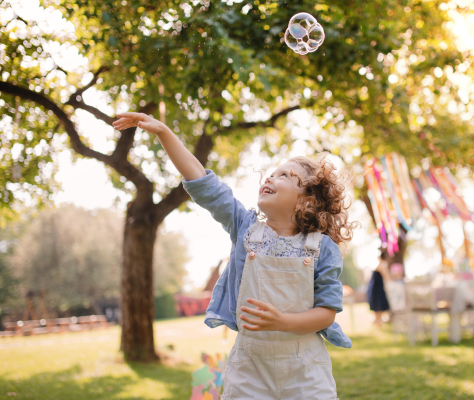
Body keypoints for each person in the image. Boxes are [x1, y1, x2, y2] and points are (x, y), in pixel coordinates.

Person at [112, 112, 357, 400]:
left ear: (307, 201)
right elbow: (204, 183)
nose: (271, 177)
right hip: (249, 365)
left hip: (306, 368)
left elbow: (326, 313)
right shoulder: (245, 228)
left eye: (286, 176)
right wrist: (165, 133)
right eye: (272, 173)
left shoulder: (322, 248)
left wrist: (284, 322)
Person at [367, 250, 391, 329]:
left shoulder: (378, 265)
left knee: (378, 311)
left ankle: (377, 326)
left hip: (375, 290)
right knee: (378, 310)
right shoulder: (382, 266)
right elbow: (388, 278)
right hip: (377, 291)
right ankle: (377, 327)